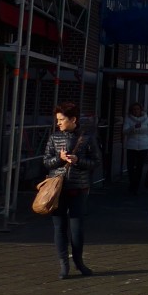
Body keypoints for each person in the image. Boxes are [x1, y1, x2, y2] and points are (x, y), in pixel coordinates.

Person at [43, 102, 98, 279]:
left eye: (61, 119)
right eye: (57, 119)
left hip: (78, 187)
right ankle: (63, 265)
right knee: (59, 227)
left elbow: (96, 162)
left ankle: (79, 262)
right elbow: (46, 162)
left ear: (73, 119)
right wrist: (59, 159)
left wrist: (78, 161)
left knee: (77, 228)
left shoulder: (87, 138)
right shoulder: (54, 138)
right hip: (57, 189)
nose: (58, 123)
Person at [122, 101, 148, 194]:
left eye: (138, 109)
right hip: (131, 146)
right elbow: (124, 132)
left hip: (144, 146)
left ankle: (135, 186)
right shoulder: (128, 119)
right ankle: (132, 183)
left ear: (141, 110)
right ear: (131, 111)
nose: (136, 111)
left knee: (139, 167)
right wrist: (133, 127)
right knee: (130, 167)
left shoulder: (147, 119)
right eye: (134, 109)